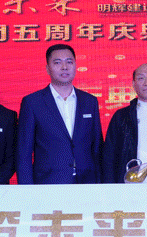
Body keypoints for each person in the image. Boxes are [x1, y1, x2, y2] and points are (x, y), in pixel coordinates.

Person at [17, 43, 103, 184]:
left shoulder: (90, 101)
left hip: (87, 182)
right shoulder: (32, 102)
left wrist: (101, 184)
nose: (64, 67)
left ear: (75, 65)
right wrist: (27, 190)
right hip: (48, 183)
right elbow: (24, 153)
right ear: (47, 69)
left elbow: (97, 148)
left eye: (69, 62)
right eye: (57, 62)